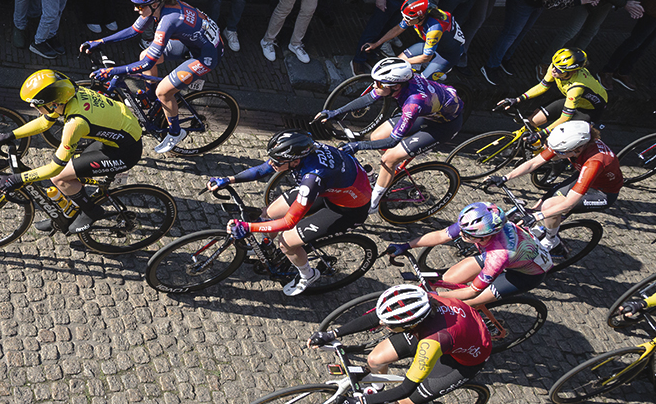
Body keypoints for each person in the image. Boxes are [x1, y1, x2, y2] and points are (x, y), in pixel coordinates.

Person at [310, 284, 491, 404]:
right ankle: (377, 390)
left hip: (463, 360)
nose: (382, 326)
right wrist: (332, 334)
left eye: (389, 325)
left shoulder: (432, 343)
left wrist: (360, 402)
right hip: (449, 330)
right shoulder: (419, 301)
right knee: (375, 359)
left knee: (405, 402)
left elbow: (405, 389)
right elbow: (376, 318)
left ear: (410, 325)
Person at [209, 130, 371, 296]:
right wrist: (229, 179)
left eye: (277, 161)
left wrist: (248, 227)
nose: (272, 164)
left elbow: (289, 222)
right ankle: (267, 248)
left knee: (286, 242)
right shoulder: (299, 152)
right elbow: (263, 169)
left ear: (295, 161)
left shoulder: (312, 179)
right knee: (269, 213)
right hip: (332, 190)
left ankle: (308, 275)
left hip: (347, 210)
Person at [0, 70, 143, 234]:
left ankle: (91, 211)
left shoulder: (75, 124)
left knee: (59, 178)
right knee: (72, 172)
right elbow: (44, 123)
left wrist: (18, 179)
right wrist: (10, 135)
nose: (32, 106)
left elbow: (55, 169)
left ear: (53, 102)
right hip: (120, 135)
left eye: (37, 103)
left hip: (125, 152)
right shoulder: (69, 95)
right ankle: (67, 216)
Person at [83, 0, 222, 153]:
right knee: (144, 52)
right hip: (193, 43)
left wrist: (112, 71)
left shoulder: (169, 19)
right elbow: (134, 30)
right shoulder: (158, 8)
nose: (136, 9)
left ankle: (175, 132)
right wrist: (100, 41)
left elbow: (147, 63)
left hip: (206, 55)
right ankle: (149, 99)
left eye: (140, 6)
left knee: (163, 92)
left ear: (156, 3)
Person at [317, 58, 464, 214]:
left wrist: (358, 146)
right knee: (376, 137)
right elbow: (368, 98)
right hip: (430, 112)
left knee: (388, 159)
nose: (374, 85)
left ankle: (372, 204)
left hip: (444, 126)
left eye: (379, 83)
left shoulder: (413, 103)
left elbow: (393, 141)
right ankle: (390, 171)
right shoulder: (400, 83)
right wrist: (336, 112)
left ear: (396, 86)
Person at [486, 121, 621, 253]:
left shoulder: (594, 162)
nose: (556, 154)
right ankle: (548, 228)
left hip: (602, 193)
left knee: (549, 207)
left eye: (560, 153)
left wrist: (537, 217)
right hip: (586, 177)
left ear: (577, 149)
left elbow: (568, 204)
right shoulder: (573, 143)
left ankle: (551, 240)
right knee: (541, 206)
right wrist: (505, 177)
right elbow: (534, 163)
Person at [388, 202, 553, 308]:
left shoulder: (498, 256)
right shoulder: (479, 224)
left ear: (487, 236)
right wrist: (406, 245)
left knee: (465, 303)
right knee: (445, 281)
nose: (462, 235)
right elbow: (440, 236)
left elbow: (471, 292)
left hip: (526, 275)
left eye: (468, 235)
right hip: (512, 254)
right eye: (463, 231)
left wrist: (435, 296)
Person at [496, 48, 607, 135]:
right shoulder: (557, 67)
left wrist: (542, 134)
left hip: (589, 111)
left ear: (571, 72)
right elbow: (542, 86)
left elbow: (565, 117)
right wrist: (517, 99)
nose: (553, 70)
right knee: (533, 120)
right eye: (553, 65)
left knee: (555, 140)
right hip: (574, 101)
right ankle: (521, 146)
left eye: (558, 70)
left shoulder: (576, 87)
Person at [362, 0, 466, 78]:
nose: (405, 20)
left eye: (408, 18)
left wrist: (401, 62)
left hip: (446, 56)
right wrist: (376, 44)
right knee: (397, 65)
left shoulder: (434, 30)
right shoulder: (417, 17)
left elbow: (426, 57)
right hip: (433, 46)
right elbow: (398, 28)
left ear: (421, 17)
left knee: (422, 82)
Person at [601, 0, 656, 92]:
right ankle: (608, 70)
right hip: (654, 10)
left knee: (645, 44)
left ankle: (623, 71)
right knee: (635, 42)